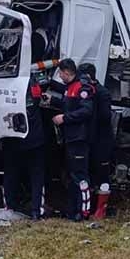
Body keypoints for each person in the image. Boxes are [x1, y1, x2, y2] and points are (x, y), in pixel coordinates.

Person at [53, 58, 95, 221]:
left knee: (80, 176)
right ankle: (72, 210)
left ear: (66, 72)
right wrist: (53, 100)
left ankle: (84, 211)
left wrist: (65, 118)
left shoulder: (82, 88)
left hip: (79, 138)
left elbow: (86, 111)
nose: (60, 77)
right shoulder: (69, 88)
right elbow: (67, 103)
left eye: (60, 74)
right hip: (70, 138)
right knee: (71, 176)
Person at [2, 77, 47, 219]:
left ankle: (10, 206)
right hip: (34, 141)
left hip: (13, 140)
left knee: (10, 174)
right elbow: (39, 97)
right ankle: (36, 211)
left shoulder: (6, 90)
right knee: (36, 176)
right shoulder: (33, 85)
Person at [79, 62, 115, 219]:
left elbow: (106, 117)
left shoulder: (101, 93)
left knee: (102, 174)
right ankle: (93, 205)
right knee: (92, 172)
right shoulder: (88, 91)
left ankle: (102, 209)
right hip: (91, 140)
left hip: (102, 140)